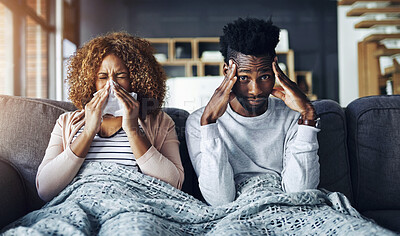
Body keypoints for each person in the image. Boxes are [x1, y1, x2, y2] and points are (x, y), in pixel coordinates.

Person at [185, 17, 320, 206]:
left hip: (286, 206)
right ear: (227, 72)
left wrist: (308, 115)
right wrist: (209, 124)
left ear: (276, 70)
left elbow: (300, 192)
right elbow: (219, 199)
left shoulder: (293, 117)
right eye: (243, 78)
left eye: (264, 76)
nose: (255, 90)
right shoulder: (200, 121)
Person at [36, 32, 184, 201]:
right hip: (79, 203)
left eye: (121, 76)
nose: (111, 85)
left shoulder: (161, 122)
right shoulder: (66, 122)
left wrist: (133, 130)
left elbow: (174, 184)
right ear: (90, 82)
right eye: (103, 77)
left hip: (135, 206)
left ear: (136, 80)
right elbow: (45, 189)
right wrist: (88, 132)